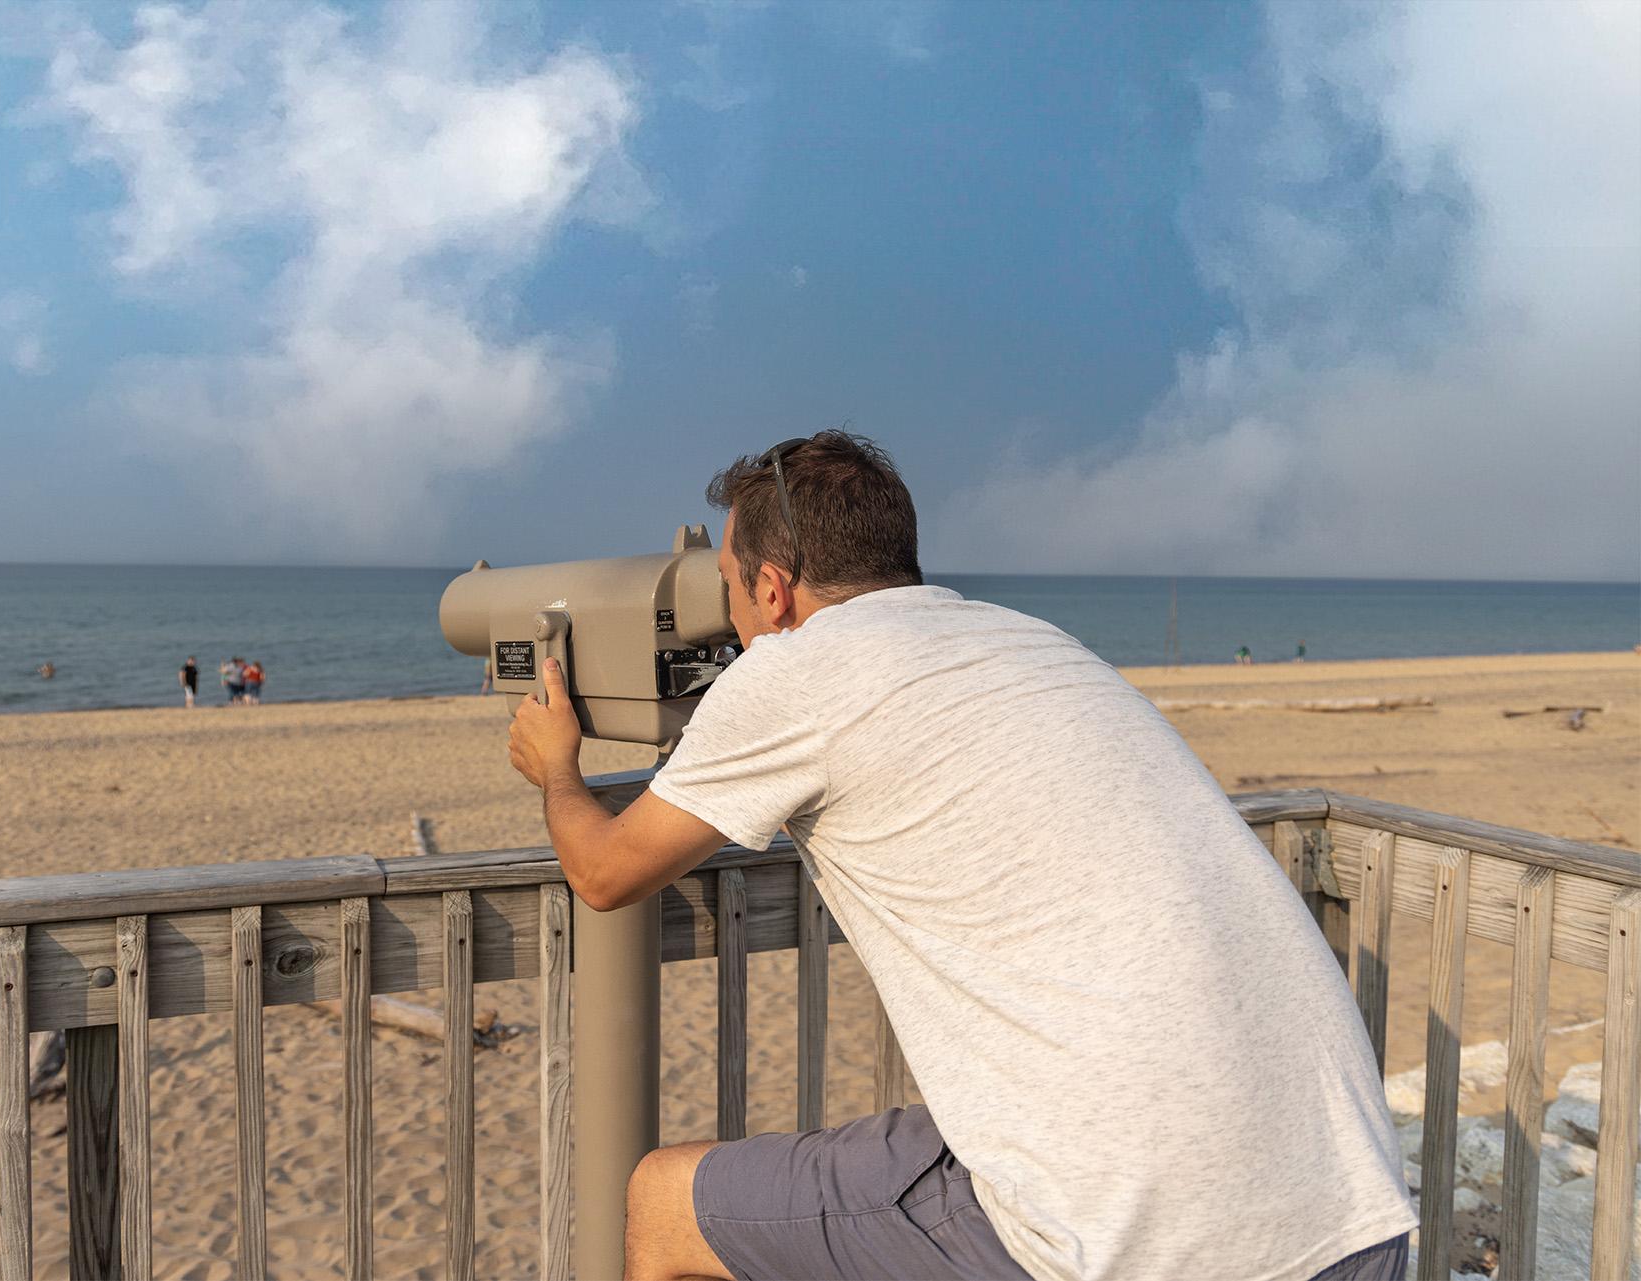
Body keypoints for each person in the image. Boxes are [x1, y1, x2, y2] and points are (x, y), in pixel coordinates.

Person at [504, 432, 1413, 1281]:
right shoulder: (1027, 637)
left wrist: (557, 766)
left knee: (663, 1198)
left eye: (731, 589)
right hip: (1356, 1217)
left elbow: (605, 871)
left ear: (774, 591)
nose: (730, 617)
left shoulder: (793, 671)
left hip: (1139, 1240)